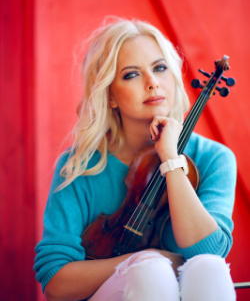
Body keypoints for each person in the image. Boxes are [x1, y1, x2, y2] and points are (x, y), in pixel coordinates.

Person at [34, 18, 237, 301]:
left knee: (209, 268)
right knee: (150, 272)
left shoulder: (213, 158)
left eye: (160, 68)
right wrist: (144, 259)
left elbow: (210, 252)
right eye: (131, 75)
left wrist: (170, 159)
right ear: (111, 95)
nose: (153, 83)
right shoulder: (79, 166)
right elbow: (55, 283)